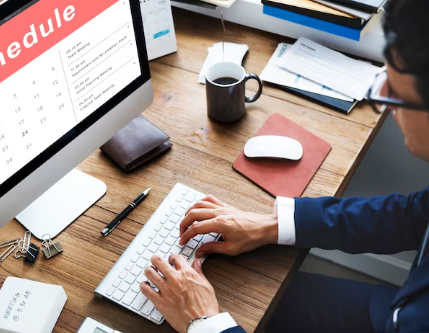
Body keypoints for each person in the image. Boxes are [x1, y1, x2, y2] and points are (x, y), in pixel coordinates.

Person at [139, 0, 429, 332]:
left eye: (395, 97)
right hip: (397, 309)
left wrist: (204, 323)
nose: (386, 108)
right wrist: (270, 225)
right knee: (255, 297)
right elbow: (414, 215)